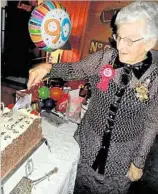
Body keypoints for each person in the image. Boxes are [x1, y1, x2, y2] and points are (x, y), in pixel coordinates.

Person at [28, 1, 158, 194]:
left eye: (130, 40)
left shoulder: (156, 78)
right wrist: (48, 68)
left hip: (121, 159)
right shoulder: (104, 58)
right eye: (118, 37)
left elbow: (152, 121)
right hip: (88, 146)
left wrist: (138, 162)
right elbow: (75, 69)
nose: (120, 45)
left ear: (149, 41)